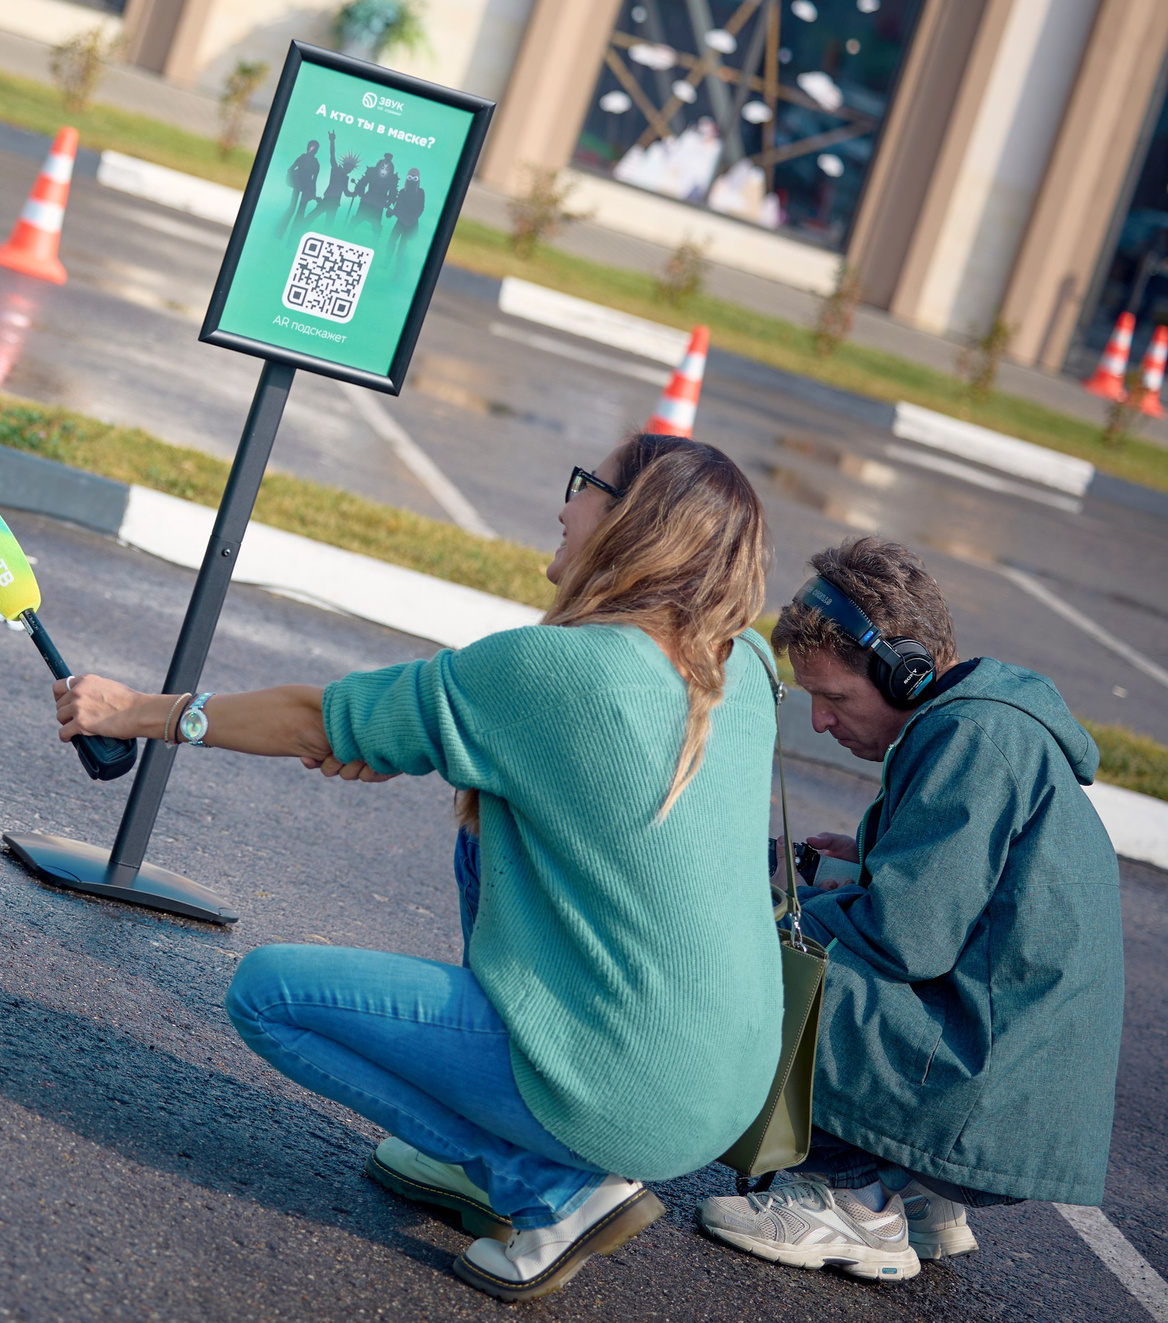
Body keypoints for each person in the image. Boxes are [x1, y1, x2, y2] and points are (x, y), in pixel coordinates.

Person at [55, 434, 782, 1301]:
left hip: (624, 1084)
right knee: (484, 836)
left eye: (587, 485)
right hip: (731, 1090)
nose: (564, 506)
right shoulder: (747, 661)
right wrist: (392, 736)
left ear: (635, 521)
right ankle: (515, 1151)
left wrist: (135, 710)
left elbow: (315, 719)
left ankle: (549, 1188)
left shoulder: (552, 671)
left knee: (268, 994)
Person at [697, 538, 1124, 1277]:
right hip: (1014, 1077)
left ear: (906, 672)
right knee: (813, 929)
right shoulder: (988, 725)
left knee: (768, 956)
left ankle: (852, 1199)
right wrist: (866, 864)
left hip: (986, 1088)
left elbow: (904, 938)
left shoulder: (969, 739)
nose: (820, 721)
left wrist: (777, 910)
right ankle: (914, 1188)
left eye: (834, 698)